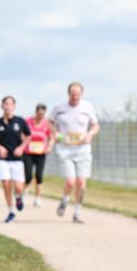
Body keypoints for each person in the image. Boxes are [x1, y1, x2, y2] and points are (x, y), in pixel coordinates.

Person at [49, 82, 99, 223]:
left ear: (81, 94)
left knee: (81, 183)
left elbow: (96, 125)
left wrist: (90, 134)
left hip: (82, 149)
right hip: (65, 149)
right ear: (68, 94)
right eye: (73, 94)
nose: (75, 97)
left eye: (78, 95)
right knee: (71, 181)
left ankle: (77, 212)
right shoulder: (59, 107)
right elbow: (50, 122)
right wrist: (56, 133)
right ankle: (65, 199)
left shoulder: (87, 107)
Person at [0, 96, 31, 223]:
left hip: (17, 159)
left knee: (18, 187)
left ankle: (18, 197)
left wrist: (22, 147)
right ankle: (11, 211)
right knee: (6, 184)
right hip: (3, 159)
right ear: (2, 106)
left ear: (14, 106)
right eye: (5, 104)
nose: (8, 106)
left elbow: (29, 136)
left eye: (10, 104)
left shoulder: (20, 121)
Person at [23, 103, 53, 207]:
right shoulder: (28, 122)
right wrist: (23, 142)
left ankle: (37, 198)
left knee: (39, 175)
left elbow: (52, 137)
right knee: (28, 176)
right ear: (36, 112)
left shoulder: (47, 124)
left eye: (43, 114)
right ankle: (24, 191)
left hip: (41, 153)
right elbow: (22, 134)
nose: (41, 116)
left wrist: (49, 147)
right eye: (39, 113)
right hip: (28, 153)